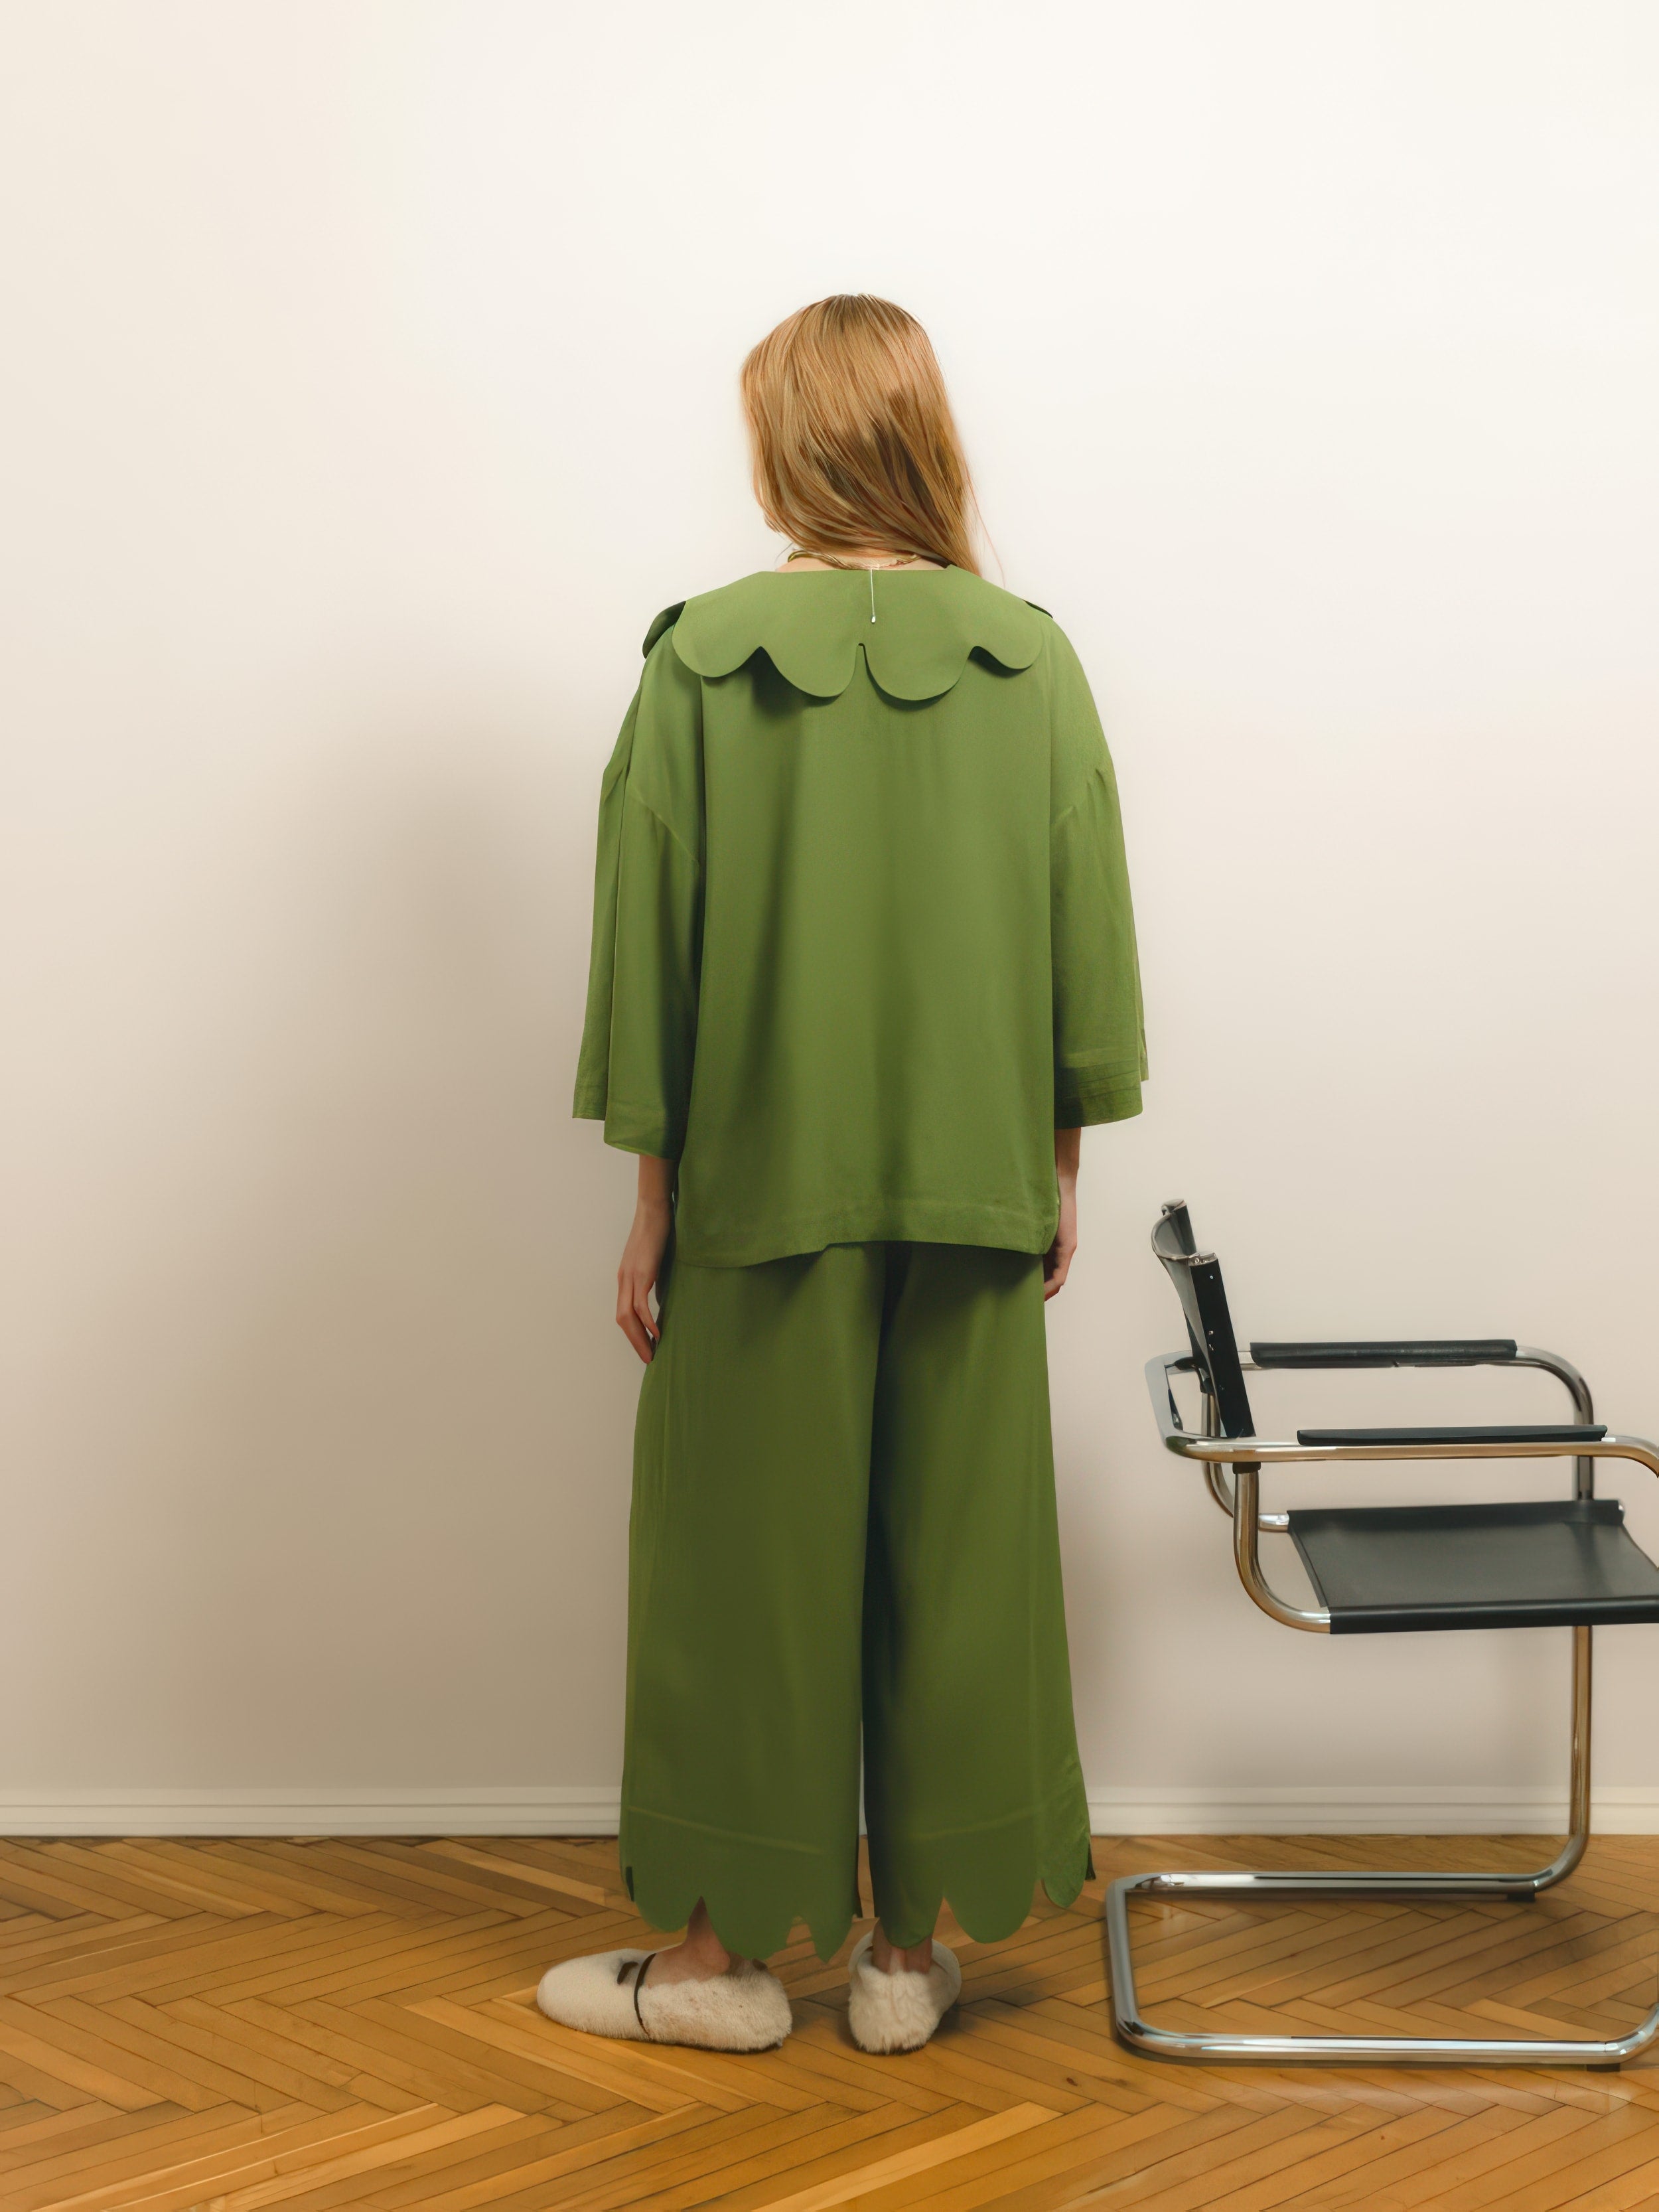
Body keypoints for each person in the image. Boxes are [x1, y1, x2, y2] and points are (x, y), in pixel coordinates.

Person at [538, 295, 1144, 2057]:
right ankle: (898, 1963)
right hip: (969, 1185)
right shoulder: (1030, 659)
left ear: (783, 444)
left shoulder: (700, 659)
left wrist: (652, 1206)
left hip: (754, 1191)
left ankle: (721, 1970)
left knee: (743, 1571)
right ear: (920, 433)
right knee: (952, 1568)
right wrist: (1054, 1164)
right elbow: (1078, 935)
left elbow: (646, 945)